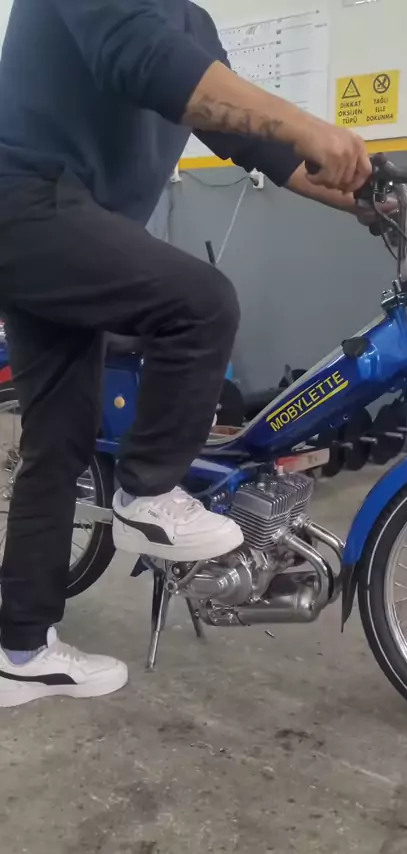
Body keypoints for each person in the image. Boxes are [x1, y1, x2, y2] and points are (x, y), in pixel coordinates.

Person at [0, 0, 372, 708]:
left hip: (61, 227)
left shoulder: (191, 22)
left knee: (60, 442)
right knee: (200, 303)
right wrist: (308, 124)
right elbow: (145, 59)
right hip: (27, 203)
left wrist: (362, 198)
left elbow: (248, 138)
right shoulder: (146, 24)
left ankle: (21, 650)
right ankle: (146, 494)